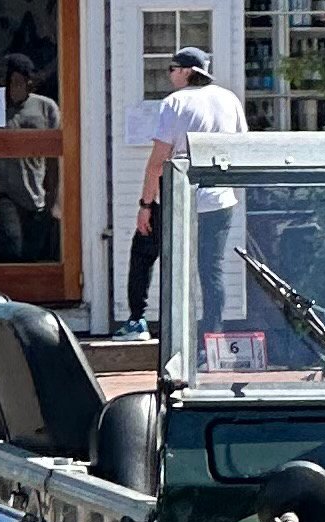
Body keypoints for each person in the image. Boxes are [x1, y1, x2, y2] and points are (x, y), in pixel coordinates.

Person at [114, 47, 248, 341]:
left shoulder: (175, 103)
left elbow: (158, 161)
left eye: (172, 69)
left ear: (187, 72)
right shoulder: (229, 100)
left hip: (178, 199)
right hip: (220, 200)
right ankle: (213, 336)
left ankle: (137, 321)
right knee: (211, 269)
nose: (169, 75)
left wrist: (145, 204)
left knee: (143, 252)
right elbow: (240, 147)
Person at [0, 54, 60, 263]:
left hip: (34, 195)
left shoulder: (46, 107)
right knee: (11, 247)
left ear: (29, 82)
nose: (11, 88)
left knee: (31, 255)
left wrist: (55, 197)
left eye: (17, 82)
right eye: (5, 82)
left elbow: (55, 156)